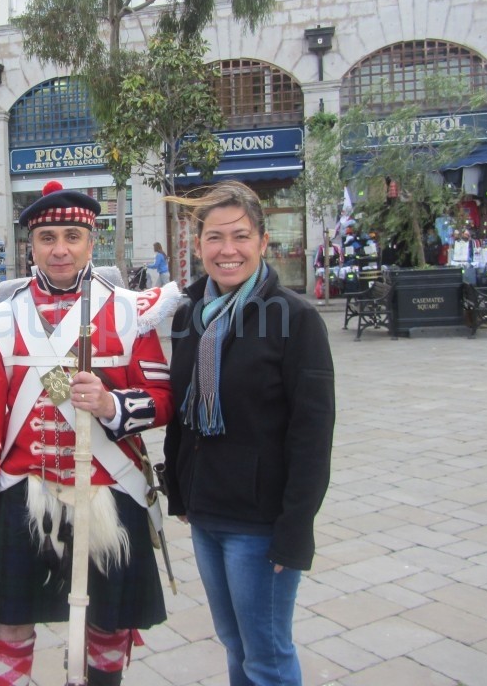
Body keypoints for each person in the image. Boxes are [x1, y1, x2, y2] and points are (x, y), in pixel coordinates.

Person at [0, 180, 180, 686]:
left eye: (72, 237)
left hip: (111, 487)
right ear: (29, 245)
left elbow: (165, 401)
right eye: (48, 237)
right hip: (22, 494)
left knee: (108, 625)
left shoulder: (131, 311)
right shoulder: (1, 320)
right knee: (10, 624)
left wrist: (110, 404)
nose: (60, 249)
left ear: (91, 241)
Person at [164, 180, 335, 686]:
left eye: (240, 236)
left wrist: (295, 530)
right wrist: (180, 489)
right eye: (214, 238)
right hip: (206, 509)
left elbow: (312, 434)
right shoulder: (188, 315)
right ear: (197, 247)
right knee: (234, 642)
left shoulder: (295, 319)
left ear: (263, 242)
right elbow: (181, 413)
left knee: (266, 654)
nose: (227, 250)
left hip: (260, 521)